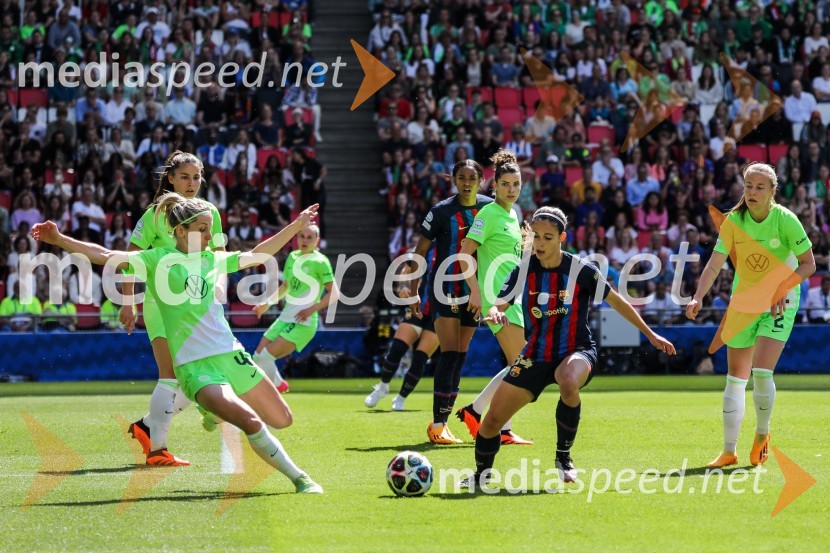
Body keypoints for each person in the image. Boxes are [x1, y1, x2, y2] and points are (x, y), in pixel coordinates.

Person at [32, 195, 324, 493]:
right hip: (196, 368)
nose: (211, 236)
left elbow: (260, 254)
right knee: (250, 421)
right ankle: (301, 479)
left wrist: (295, 225)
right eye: (203, 229)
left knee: (282, 419)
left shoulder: (212, 258)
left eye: (210, 228)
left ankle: (216, 410)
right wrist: (58, 238)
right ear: (181, 231)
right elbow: (106, 254)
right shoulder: (157, 259)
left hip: (232, 355)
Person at [463, 207, 676, 488]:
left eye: (548, 237)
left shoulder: (582, 270)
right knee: (491, 421)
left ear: (562, 237)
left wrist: (650, 334)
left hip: (577, 350)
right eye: (536, 236)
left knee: (567, 379)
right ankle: (481, 475)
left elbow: (617, 301)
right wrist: (496, 314)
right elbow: (498, 306)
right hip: (536, 354)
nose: (540, 243)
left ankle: (563, 457)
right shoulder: (523, 269)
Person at [686, 163, 816, 468]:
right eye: (748, 186)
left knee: (761, 373)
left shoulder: (786, 220)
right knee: (734, 379)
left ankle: (761, 434)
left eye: (759, 187)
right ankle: (728, 451)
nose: (752, 192)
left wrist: (783, 287)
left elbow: (808, 263)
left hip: (780, 302)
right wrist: (697, 295)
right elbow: (715, 264)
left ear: (773, 192)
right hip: (744, 302)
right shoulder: (734, 221)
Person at [120, 151, 225, 466]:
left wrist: (218, 287)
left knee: (201, 374)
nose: (191, 184)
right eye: (184, 177)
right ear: (170, 178)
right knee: (170, 376)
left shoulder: (209, 212)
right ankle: (157, 449)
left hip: (199, 307)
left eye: (196, 177)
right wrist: (128, 301)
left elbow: (219, 256)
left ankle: (147, 426)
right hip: (160, 304)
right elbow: (128, 258)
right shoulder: (154, 214)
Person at [409, 160, 491, 445]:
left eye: (472, 178)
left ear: (481, 180)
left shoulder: (490, 208)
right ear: (453, 180)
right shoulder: (441, 212)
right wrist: (412, 289)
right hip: (445, 287)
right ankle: (438, 424)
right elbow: (420, 253)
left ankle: (443, 423)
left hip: (475, 291)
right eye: (461, 178)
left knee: (459, 356)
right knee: (449, 352)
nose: (467, 183)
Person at [455, 150, 533, 445]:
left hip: (513, 298)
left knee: (519, 363)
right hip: (496, 299)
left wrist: (528, 245)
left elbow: (515, 261)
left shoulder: (513, 215)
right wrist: (474, 290)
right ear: (495, 186)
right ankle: (478, 412)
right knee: (522, 363)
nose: (512, 190)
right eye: (506, 184)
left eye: (516, 184)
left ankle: (502, 427)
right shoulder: (488, 214)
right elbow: (464, 254)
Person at [249, 223, 339, 395]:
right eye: (301, 236)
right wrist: (267, 304)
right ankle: (279, 385)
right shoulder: (292, 256)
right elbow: (286, 286)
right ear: (297, 238)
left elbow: (334, 293)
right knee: (257, 357)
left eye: (309, 237)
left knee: (266, 357)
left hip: (303, 321)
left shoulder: (320, 261)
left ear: (317, 240)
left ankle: (272, 398)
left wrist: (311, 310)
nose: (304, 240)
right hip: (285, 317)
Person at [364, 247, 440, 411]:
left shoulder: (458, 248)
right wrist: (402, 288)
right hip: (418, 307)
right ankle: (382, 387)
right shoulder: (428, 245)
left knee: (420, 358)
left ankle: (400, 399)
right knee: (397, 348)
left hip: (441, 312)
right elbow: (406, 270)